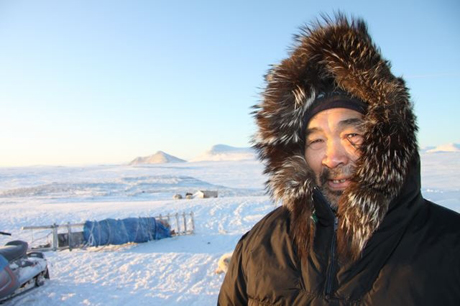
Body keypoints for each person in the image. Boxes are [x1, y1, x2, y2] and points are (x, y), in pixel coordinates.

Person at [218, 14, 460, 305]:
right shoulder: (258, 247)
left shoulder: (450, 246)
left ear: (389, 140)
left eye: (353, 135)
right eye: (316, 140)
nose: (333, 157)